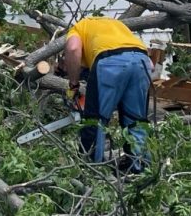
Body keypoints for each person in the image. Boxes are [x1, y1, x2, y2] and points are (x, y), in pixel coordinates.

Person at [62, 16, 152, 172]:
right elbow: (149, 64)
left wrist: (74, 84)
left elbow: (73, 49)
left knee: (95, 120)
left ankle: (91, 169)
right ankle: (139, 168)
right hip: (142, 60)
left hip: (108, 62)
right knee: (136, 120)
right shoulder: (116, 25)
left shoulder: (77, 28)